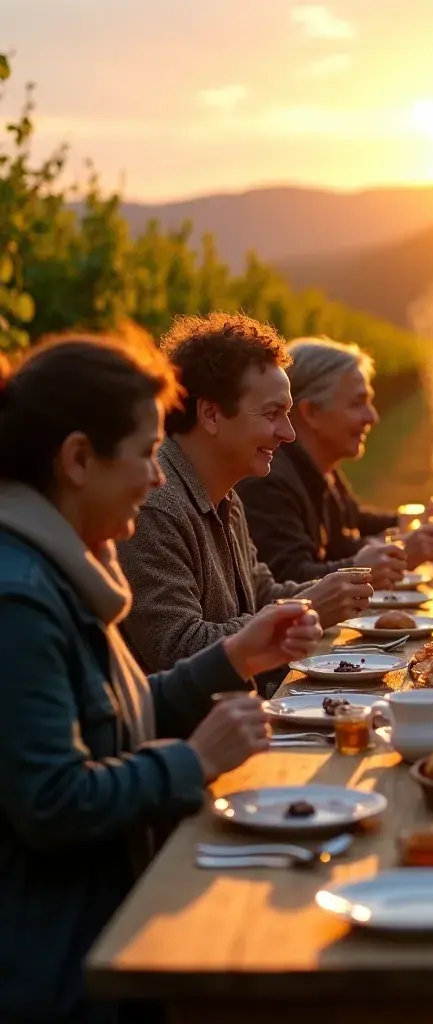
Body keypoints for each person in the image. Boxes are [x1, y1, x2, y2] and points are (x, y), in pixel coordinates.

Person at [0, 332, 323, 1023]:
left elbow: (111, 716)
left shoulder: (56, 569)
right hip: (68, 970)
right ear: (79, 459)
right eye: (147, 454)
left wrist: (233, 660)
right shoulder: (19, 599)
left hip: (115, 921)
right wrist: (194, 759)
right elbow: (54, 800)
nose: (157, 477)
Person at [118, 313, 371, 674]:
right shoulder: (156, 506)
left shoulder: (225, 495)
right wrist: (306, 606)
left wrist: (338, 590)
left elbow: (259, 592)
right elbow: (177, 649)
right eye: (272, 414)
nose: (288, 433)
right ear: (211, 414)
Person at [237, 336, 433, 587]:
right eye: (357, 403)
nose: (372, 416)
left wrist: (413, 519)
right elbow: (289, 580)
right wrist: (393, 557)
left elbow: (353, 521)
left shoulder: (320, 469)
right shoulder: (268, 482)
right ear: (311, 412)